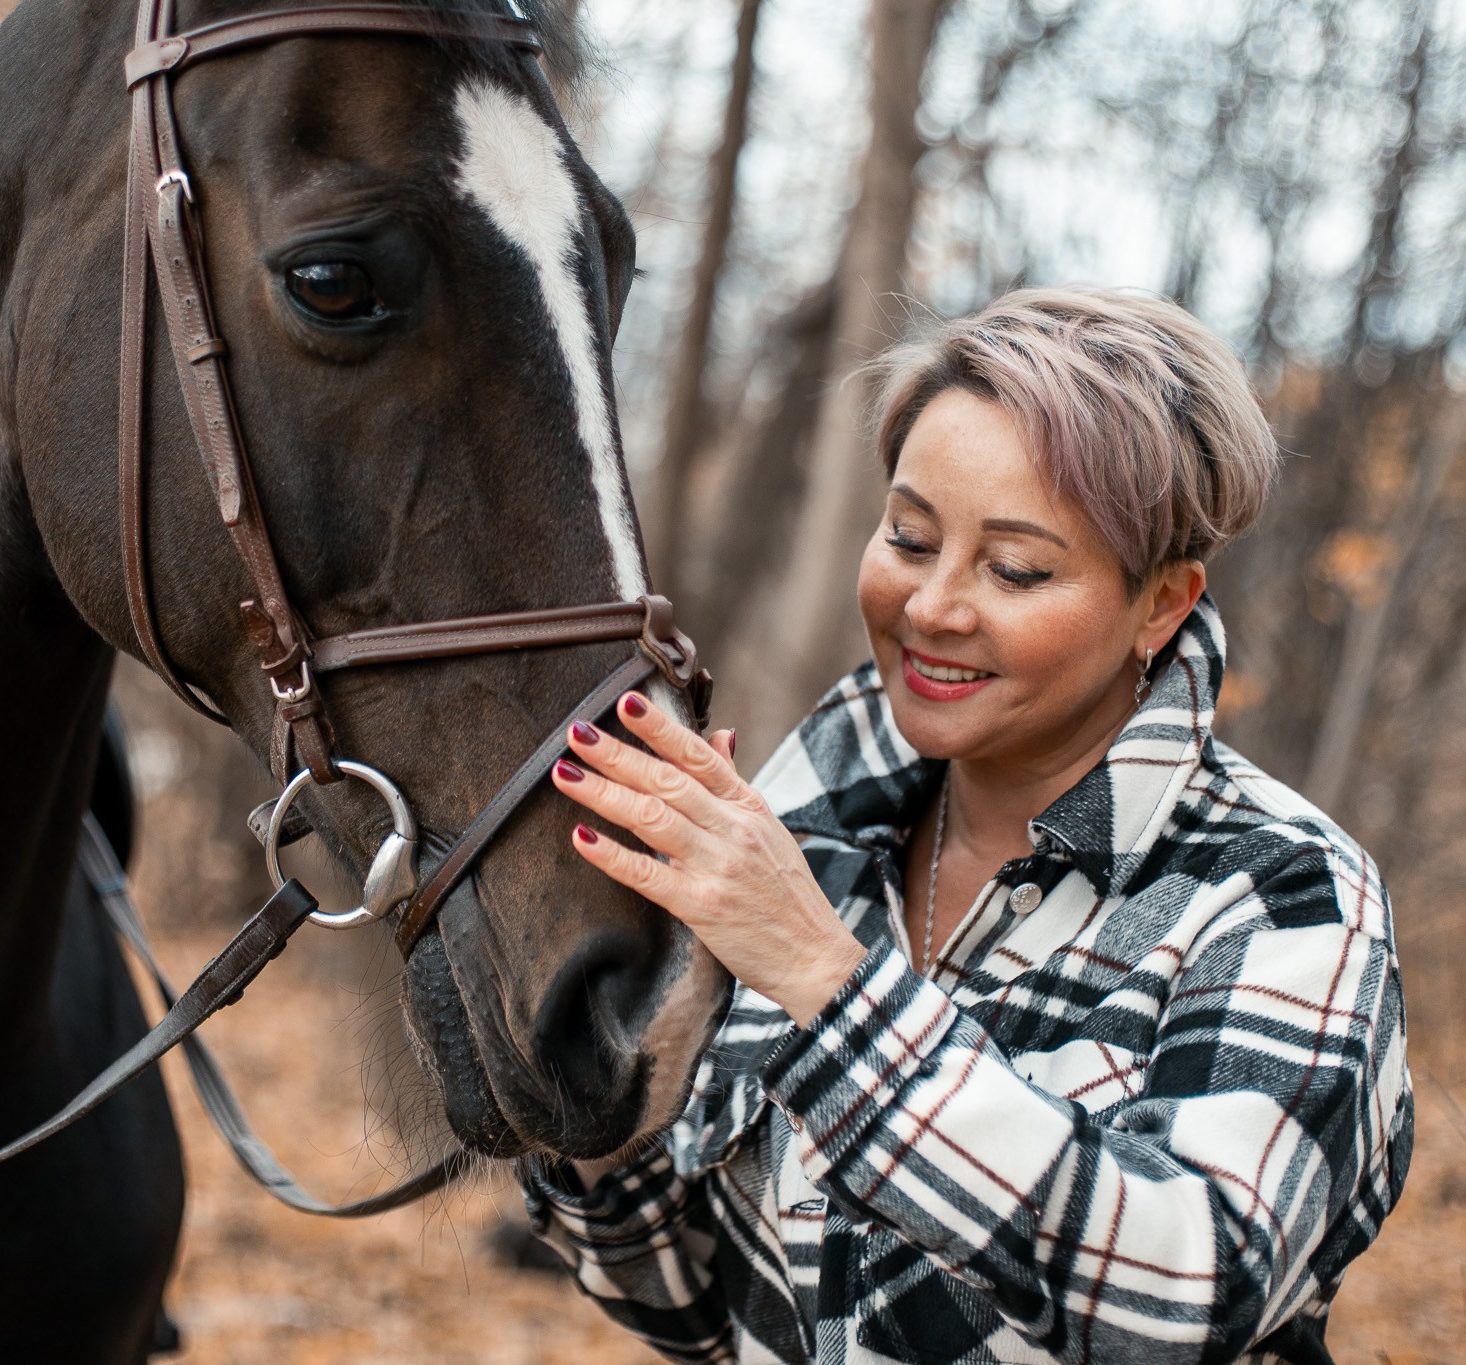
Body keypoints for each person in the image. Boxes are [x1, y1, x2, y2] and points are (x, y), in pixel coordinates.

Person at [526, 288, 1412, 1364]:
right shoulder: (807, 820)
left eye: (1015, 569)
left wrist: (825, 981)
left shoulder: (1280, 894)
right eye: (907, 536)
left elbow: (1188, 1291)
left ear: (1161, 605)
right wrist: (573, 1076)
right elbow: (702, 1310)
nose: (931, 606)